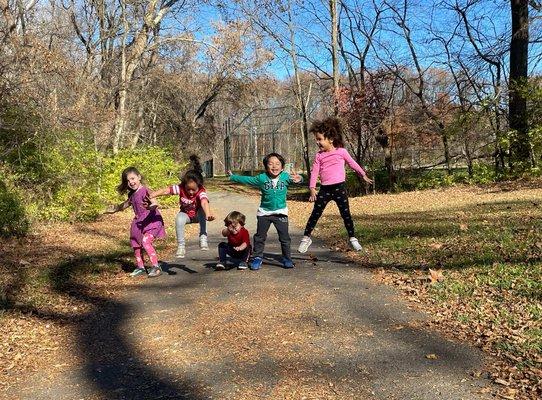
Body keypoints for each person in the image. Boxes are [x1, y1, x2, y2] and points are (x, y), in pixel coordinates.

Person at [297, 117, 373, 254]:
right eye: (316, 139)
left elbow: (352, 163)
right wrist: (312, 188)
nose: (317, 142)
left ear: (330, 139)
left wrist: (363, 174)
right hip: (325, 189)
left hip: (340, 188)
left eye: (320, 139)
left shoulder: (341, 152)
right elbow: (314, 172)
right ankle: (306, 238)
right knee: (315, 214)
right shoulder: (319, 156)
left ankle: (352, 238)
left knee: (346, 214)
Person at [228, 153, 303, 270]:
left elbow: (298, 180)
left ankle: (287, 258)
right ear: (266, 167)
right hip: (264, 213)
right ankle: (257, 257)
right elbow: (248, 179)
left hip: (281, 213)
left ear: (282, 167)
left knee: (285, 238)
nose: (274, 166)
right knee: (260, 237)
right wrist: (233, 177)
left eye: (277, 164)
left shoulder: (286, 177)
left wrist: (299, 179)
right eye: (271, 164)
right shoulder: (262, 178)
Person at [149, 155, 215, 258]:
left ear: (199, 186)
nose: (191, 192)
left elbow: (204, 202)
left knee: (202, 211)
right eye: (188, 189)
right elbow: (166, 190)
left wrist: (208, 214)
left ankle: (203, 237)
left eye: (194, 190)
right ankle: (181, 246)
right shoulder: (181, 188)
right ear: (184, 186)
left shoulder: (201, 191)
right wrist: (153, 194)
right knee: (179, 218)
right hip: (187, 215)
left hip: (198, 215)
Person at [105, 167, 166, 278]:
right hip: (139, 222)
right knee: (136, 244)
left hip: (152, 220)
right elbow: (125, 205)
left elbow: (154, 202)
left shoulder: (146, 190)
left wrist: (152, 206)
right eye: (128, 181)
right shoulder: (132, 194)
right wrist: (113, 209)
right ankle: (140, 267)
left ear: (139, 177)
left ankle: (156, 267)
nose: (131, 182)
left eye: (133, 179)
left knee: (145, 242)